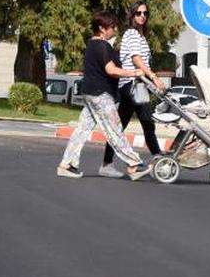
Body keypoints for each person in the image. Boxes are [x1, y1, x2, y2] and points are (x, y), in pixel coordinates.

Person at [57, 10, 153, 180]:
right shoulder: (102, 46)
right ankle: (134, 164)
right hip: (101, 94)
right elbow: (111, 70)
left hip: (90, 92)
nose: (115, 29)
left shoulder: (92, 44)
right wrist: (134, 73)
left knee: (82, 129)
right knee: (114, 129)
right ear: (102, 28)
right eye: (112, 27)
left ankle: (67, 164)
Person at [99, 1, 168, 177]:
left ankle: (107, 163)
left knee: (123, 126)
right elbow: (136, 59)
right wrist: (154, 77)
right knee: (147, 122)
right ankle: (157, 160)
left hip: (136, 85)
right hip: (132, 85)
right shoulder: (131, 34)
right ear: (132, 15)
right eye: (138, 13)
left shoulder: (141, 36)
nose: (142, 16)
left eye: (145, 13)